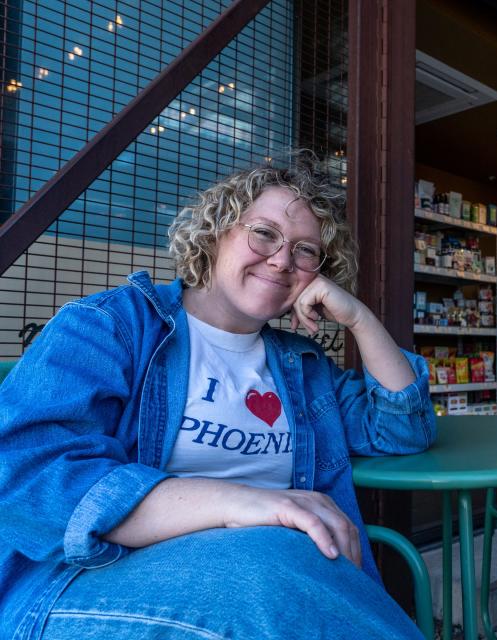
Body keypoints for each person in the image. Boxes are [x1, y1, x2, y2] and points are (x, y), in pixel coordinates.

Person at [0, 154, 436, 640]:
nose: (282, 259)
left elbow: (404, 427)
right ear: (215, 232)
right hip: (98, 578)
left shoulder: (301, 365)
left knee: (278, 577)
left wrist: (358, 317)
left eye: (306, 250)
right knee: (271, 577)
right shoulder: (111, 325)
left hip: (277, 575)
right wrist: (239, 503)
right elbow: (26, 473)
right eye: (265, 233)